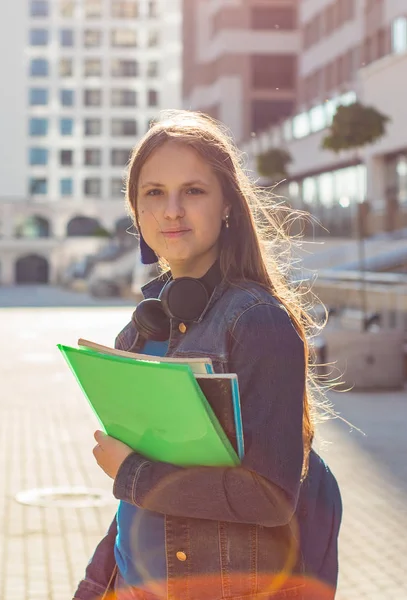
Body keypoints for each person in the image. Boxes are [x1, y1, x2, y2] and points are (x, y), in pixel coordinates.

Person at [73, 111, 342, 600]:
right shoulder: (138, 331)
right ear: (135, 209)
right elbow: (133, 508)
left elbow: (270, 497)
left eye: (193, 191)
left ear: (227, 207)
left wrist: (131, 474)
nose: (171, 210)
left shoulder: (258, 323)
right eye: (154, 192)